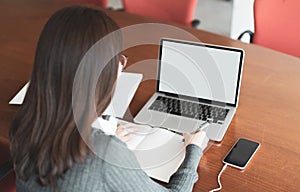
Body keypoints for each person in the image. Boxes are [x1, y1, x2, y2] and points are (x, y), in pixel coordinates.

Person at [9, 6, 209, 192]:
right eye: (117, 60)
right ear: (101, 74)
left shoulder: (23, 124)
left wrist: (107, 137)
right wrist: (194, 150)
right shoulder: (103, 156)